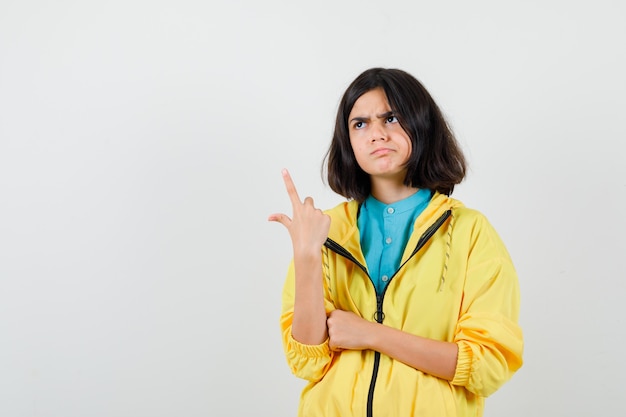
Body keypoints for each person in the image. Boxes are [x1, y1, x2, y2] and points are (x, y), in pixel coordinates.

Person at [268, 67, 523, 417]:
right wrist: (308, 256)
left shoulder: (470, 232)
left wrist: (371, 334)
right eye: (360, 124)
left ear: (422, 125)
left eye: (391, 118)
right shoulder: (325, 230)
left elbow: (487, 366)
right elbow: (306, 363)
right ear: (348, 141)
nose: (376, 134)